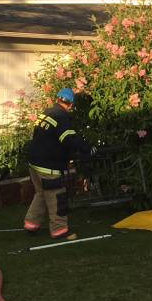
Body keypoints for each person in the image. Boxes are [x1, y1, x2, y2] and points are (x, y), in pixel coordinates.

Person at [23, 88, 93, 239]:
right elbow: (68, 139)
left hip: (34, 162)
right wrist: (88, 148)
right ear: (71, 104)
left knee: (41, 193)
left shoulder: (47, 113)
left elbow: (43, 137)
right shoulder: (62, 116)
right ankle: (59, 230)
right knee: (57, 196)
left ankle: (31, 223)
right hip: (48, 166)